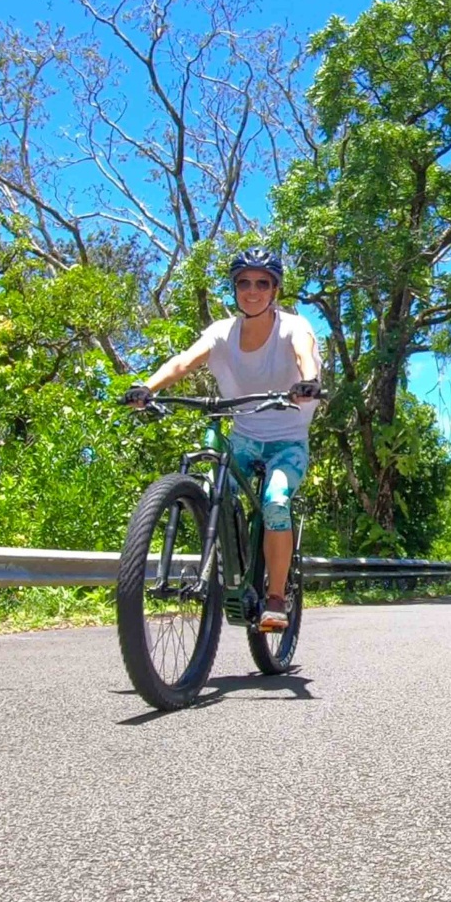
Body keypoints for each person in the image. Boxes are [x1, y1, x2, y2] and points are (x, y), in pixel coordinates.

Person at [124, 248, 322, 632]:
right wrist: (145, 387)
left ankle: (277, 597)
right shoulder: (220, 333)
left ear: (275, 290)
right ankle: (231, 569)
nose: (252, 291)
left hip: (288, 441)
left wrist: (309, 382)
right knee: (216, 491)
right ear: (234, 289)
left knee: (275, 503)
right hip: (244, 437)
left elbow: (305, 356)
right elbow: (183, 361)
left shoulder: (294, 327)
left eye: (262, 283)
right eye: (244, 283)